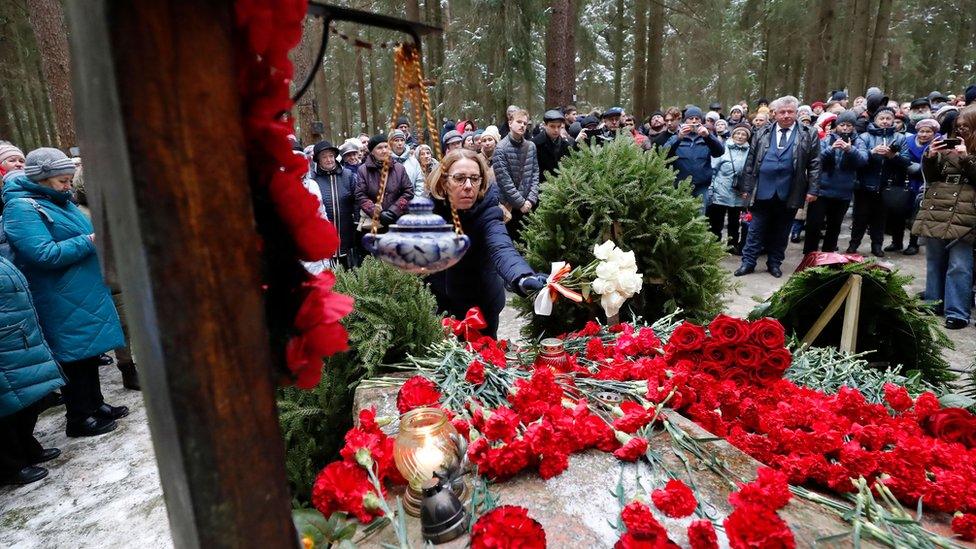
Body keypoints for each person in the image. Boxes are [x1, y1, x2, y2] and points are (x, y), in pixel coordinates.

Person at [2, 148, 127, 437]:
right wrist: (90, 241)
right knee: (73, 356)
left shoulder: (56, 200)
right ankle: (79, 416)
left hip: (81, 290)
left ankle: (95, 405)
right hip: (58, 294)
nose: (68, 185)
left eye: (69, 179)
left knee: (89, 350)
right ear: (41, 179)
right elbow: (42, 254)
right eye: (62, 180)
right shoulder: (22, 207)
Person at [426, 149, 545, 337]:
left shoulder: (487, 211)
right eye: (459, 178)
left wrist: (521, 278)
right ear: (443, 181)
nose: (468, 186)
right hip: (441, 307)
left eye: (475, 178)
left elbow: (501, 247)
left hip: (482, 307)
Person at [735, 96, 822, 278]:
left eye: (790, 112)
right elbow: (750, 163)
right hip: (762, 190)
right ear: (774, 114)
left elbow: (814, 163)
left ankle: (774, 263)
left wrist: (813, 189)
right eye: (782, 112)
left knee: (782, 231)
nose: (786, 115)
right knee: (755, 229)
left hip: (790, 190)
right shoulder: (762, 132)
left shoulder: (808, 133)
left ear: (796, 113)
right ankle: (748, 263)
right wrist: (746, 188)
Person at [0, 253, 65, 485]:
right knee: (6, 405)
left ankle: (26, 447)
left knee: (23, 399)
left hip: (15, 336)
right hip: (7, 338)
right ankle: (10, 466)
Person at [911, 106, 976, 330]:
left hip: (966, 211)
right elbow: (932, 177)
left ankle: (957, 311)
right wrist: (929, 158)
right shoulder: (948, 144)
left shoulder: (966, 150)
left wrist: (966, 158)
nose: (960, 130)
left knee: (960, 264)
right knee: (934, 260)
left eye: (966, 127)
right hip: (937, 206)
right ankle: (933, 302)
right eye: (958, 127)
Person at [846, 107, 910, 257]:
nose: (885, 122)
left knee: (880, 219)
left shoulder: (900, 138)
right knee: (859, 218)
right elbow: (857, 159)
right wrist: (871, 152)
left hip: (886, 185)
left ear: (893, 120)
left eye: (888, 119)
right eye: (882, 119)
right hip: (864, 184)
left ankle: (877, 246)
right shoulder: (864, 137)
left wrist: (893, 155)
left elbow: (907, 161)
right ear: (875, 120)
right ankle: (853, 244)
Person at [804, 111, 868, 254]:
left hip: (843, 192)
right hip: (821, 190)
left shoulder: (858, 141)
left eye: (849, 125)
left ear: (853, 127)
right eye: (842, 125)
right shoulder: (827, 139)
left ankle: (828, 255)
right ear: (837, 126)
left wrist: (850, 149)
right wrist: (831, 149)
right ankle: (809, 255)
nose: (845, 128)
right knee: (813, 225)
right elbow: (815, 159)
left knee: (834, 226)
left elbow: (863, 161)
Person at [307, 140, 360, 268]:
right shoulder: (312, 179)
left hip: (346, 229)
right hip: (323, 232)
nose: (329, 159)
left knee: (348, 269)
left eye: (331, 156)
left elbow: (357, 200)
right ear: (318, 160)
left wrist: (356, 220)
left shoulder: (347, 175)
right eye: (324, 156)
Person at [492, 109, 539, 241]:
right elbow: (504, 181)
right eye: (519, 122)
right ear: (510, 123)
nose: (522, 125)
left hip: (528, 206)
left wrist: (531, 199)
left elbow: (535, 174)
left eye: (525, 123)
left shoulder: (531, 146)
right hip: (509, 207)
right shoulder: (501, 148)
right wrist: (521, 203)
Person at [897, 118, 940, 255]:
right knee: (901, 212)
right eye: (922, 131)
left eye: (928, 132)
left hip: (925, 183)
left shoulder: (937, 144)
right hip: (906, 180)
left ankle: (913, 243)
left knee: (917, 215)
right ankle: (896, 241)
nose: (924, 134)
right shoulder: (907, 141)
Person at [663, 105, 725, 198]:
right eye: (691, 118)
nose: (694, 121)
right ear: (685, 121)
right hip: (680, 186)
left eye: (697, 118)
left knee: (700, 212)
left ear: (701, 121)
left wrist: (708, 136)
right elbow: (664, 153)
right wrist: (678, 137)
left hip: (701, 186)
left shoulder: (707, 137)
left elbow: (719, 152)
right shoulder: (677, 136)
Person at [355, 134, 415, 230]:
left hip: (397, 222)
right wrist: (378, 213)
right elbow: (360, 195)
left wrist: (394, 211)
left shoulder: (399, 168)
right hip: (374, 224)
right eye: (379, 148)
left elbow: (408, 192)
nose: (384, 151)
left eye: (386, 147)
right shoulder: (363, 170)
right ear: (372, 152)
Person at [708, 124, 751, 253]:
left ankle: (732, 246)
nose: (740, 136)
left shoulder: (750, 151)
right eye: (738, 133)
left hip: (738, 192)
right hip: (721, 190)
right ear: (733, 135)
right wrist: (712, 188)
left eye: (744, 134)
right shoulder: (722, 148)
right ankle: (714, 247)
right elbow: (713, 170)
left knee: (734, 222)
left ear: (747, 137)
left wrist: (747, 190)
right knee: (717, 222)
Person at [533, 110, 572, 183]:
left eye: (559, 126)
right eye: (552, 126)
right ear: (545, 125)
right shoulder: (534, 144)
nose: (556, 130)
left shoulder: (566, 145)